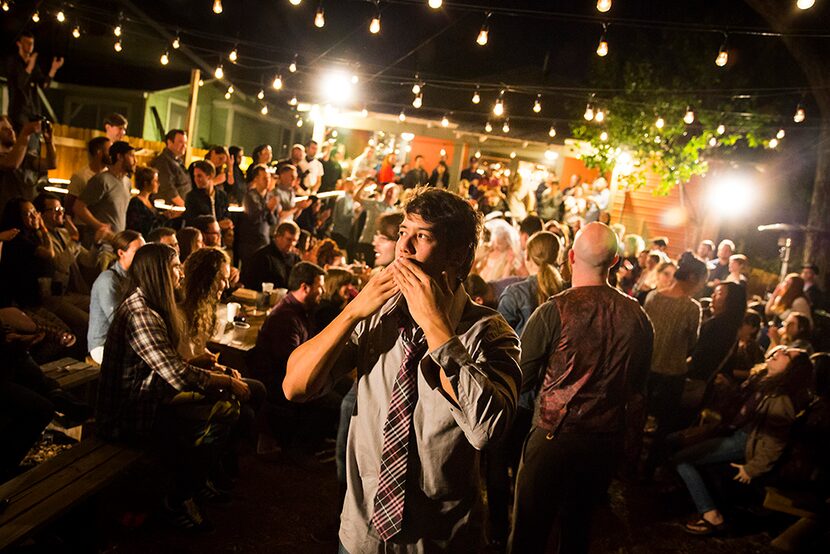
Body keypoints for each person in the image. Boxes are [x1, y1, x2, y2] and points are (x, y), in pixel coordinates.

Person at [284, 188, 521, 552]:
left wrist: (436, 328)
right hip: (362, 535)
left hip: (438, 541)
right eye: (402, 233)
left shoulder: (488, 333)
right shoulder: (376, 315)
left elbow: (487, 430)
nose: (403, 248)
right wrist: (352, 312)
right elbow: (295, 387)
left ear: (459, 256)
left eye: (422, 236)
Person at [509, 222, 654, 554]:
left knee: (529, 532)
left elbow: (521, 379)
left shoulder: (553, 311)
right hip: (604, 441)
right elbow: (638, 387)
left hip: (553, 437)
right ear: (615, 261)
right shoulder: (638, 316)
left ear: (571, 256)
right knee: (577, 528)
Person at [95, 243, 249, 531]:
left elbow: (168, 363)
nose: (181, 273)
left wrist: (207, 365)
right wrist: (224, 380)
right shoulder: (141, 313)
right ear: (158, 273)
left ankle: (191, 485)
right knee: (222, 409)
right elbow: (177, 375)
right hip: (129, 417)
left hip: (152, 403)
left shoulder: (152, 306)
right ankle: (178, 497)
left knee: (224, 406)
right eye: (176, 267)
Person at [674, 347, 814, 535]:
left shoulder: (781, 399)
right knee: (674, 442)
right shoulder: (762, 379)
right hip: (733, 430)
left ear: (792, 370)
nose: (779, 351)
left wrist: (752, 469)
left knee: (683, 461)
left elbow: (776, 441)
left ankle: (711, 515)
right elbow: (742, 405)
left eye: (787, 355)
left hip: (744, 440)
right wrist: (727, 387)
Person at [641, 254, 707, 475]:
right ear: (691, 277)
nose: (701, 286)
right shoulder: (692, 308)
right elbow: (693, 343)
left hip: (647, 369)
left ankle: (628, 463)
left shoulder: (652, 297)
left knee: (637, 417)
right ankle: (649, 469)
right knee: (664, 426)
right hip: (673, 373)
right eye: (701, 281)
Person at [251, 262, 329, 444]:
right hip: (279, 381)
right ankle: (302, 448)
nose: (323, 292)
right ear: (305, 287)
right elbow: (289, 363)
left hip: (292, 373)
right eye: (320, 287)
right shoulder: (286, 318)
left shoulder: (303, 311)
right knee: (333, 401)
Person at [87, 230, 144, 364]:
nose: (143, 255)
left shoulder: (134, 276)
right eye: (138, 251)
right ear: (121, 253)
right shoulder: (108, 280)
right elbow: (118, 321)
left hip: (126, 340)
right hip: (104, 345)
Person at [498, 231, 564, 337]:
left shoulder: (514, 294)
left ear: (527, 256)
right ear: (558, 258)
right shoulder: (568, 289)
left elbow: (499, 338)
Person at [74, 141, 136, 244]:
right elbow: (78, 207)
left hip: (116, 242)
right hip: (98, 243)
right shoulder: (101, 180)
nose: (135, 161)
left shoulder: (127, 183)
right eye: (131, 156)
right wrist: (100, 226)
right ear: (120, 157)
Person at [5, 30, 64, 131]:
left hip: (33, 112)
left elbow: (44, 85)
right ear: (19, 44)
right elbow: (20, 83)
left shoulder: (34, 66)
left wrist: (53, 69)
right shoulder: (13, 62)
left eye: (32, 43)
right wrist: (29, 67)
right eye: (27, 42)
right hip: (18, 113)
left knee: (34, 144)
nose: (30, 45)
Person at [0, 115, 54, 216]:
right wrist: (25, 133)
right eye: (4, 129)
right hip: (5, 214)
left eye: (11, 128)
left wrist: (49, 141)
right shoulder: (5, 158)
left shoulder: (24, 156)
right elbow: (12, 164)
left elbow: (51, 164)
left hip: (27, 214)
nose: (11, 131)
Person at [236, 164, 277, 265]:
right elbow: (253, 218)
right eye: (264, 178)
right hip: (250, 243)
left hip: (264, 241)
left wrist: (270, 210)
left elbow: (272, 221)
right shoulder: (249, 197)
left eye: (268, 178)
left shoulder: (269, 196)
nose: (267, 180)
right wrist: (267, 208)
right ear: (256, 179)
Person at [241, 221, 301, 291]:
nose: (292, 244)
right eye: (288, 239)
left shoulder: (295, 259)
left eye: (295, 241)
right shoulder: (261, 257)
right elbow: (251, 283)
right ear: (278, 236)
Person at [67, 136, 111, 213]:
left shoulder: (111, 175)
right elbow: (70, 205)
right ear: (99, 152)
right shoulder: (80, 176)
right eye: (109, 150)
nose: (112, 154)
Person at [185, 160, 231, 230]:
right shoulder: (192, 197)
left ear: (210, 176)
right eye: (195, 176)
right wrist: (217, 225)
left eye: (199, 176)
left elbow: (226, 215)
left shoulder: (222, 196)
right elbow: (192, 222)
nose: (196, 179)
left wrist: (228, 223)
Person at [150, 129, 191, 207]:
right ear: (169, 142)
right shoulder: (163, 161)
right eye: (180, 142)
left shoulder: (178, 161)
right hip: (170, 210)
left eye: (185, 143)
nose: (184, 146)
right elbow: (168, 188)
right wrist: (184, 207)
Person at [127, 166, 168, 237]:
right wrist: (163, 217)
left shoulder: (150, 200)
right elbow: (141, 227)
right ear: (146, 183)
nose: (158, 183)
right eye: (155, 181)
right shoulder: (135, 203)